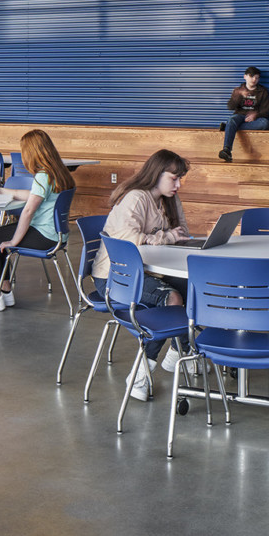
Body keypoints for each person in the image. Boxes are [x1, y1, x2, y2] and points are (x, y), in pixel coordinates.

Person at [91, 149, 192, 400]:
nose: (178, 184)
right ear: (157, 174)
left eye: (181, 179)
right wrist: (166, 237)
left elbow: (180, 232)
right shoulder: (136, 198)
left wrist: (177, 238)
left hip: (148, 270)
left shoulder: (169, 199)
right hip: (115, 276)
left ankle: (180, 352)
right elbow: (126, 240)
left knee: (195, 287)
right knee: (172, 299)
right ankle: (140, 373)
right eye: (174, 178)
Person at [0, 129, 75, 312]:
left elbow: (28, 211)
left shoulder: (43, 175)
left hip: (44, 236)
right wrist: (5, 191)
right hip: (57, 235)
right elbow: (34, 195)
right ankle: (6, 292)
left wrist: (14, 241)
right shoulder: (59, 173)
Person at [219, 67, 269, 163]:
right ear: (245, 77)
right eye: (251, 76)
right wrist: (238, 95)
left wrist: (255, 115)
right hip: (239, 116)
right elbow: (230, 107)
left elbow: (266, 111)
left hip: (255, 120)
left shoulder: (263, 91)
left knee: (265, 123)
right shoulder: (238, 90)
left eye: (257, 78)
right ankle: (226, 150)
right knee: (232, 119)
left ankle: (229, 127)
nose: (254, 80)